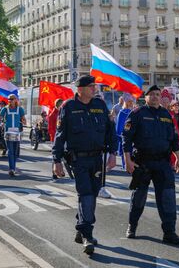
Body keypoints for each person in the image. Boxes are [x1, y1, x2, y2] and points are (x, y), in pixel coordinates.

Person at [52, 75, 116, 255]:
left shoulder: (100, 105)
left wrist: (113, 153)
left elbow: (110, 132)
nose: (94, 89)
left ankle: (81, 229)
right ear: (80, 89)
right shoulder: (68, 107)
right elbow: (60, 135)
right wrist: (56, 161)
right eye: (91, 86)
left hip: (97, 159)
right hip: (78, 160)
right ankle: (88, 235)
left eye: (94, 86)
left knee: (92, 194)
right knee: (86, 194)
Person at [122, 85, 179, 245]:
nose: (156, 97)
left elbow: (173, 139)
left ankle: (169, 232)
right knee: (139, 197)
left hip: (163, 163)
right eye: (153, 94)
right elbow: (126, 138)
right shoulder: (137, 114)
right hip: (143, 163)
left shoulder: (166, 115)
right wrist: (128, 160)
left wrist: (178, 157)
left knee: (168, 198)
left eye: (158, 94)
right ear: (146, 97)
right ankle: (132, 226)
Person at [0, 94, 26, 177]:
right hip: (8, 132)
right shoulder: (5, 109)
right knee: (10, 151)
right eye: (9, 99)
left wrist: (24, 121)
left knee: (15, 152)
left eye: (12, 99)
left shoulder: (20, 109)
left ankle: (13, 168)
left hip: (17, 132)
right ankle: (12, 169)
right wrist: (0, 122)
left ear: (15, 100)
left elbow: (24, 119)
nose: (10, 100)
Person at [115, 93, 135, 169]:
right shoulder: (122, 112)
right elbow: (121, 125)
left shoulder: (133, 112)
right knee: (124, 149)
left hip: (133, 134)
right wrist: (122, 133)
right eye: (129, 101)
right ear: (126, 102)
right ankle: (125, 165)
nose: (131, 103)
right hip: (125, 134)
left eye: (131, 101)